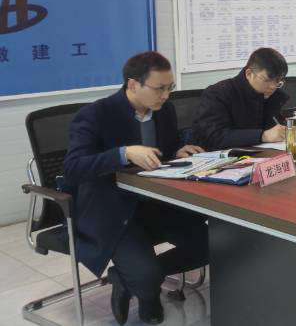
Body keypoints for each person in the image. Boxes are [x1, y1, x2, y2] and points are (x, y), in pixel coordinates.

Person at [63, 52, 208, 325]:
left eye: (170, 87)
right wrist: (123, 153)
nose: (166, 95)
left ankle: (127, 278)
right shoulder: (95, 115)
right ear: (133, 85)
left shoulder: (165, 110)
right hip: (115, 211)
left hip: (158, 204)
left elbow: (162, 151)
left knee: (214, 244)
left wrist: (177, 152)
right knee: (145, 277)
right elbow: (73, 168)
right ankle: (147, 293)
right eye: (159, 88)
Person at [193, 47, 288, 150]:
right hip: (223, 156)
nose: (273, 86)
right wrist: (263, 136)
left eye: (278, 81)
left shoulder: (273, 96)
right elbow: (215, 137)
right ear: (249, 74)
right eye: (267, 80)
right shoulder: (217, 94)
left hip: (264, 154)